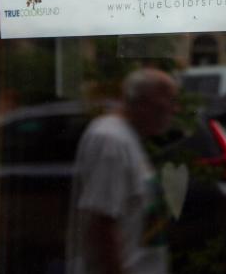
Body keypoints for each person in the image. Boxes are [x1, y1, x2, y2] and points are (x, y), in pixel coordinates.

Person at [66, 68, 179, 274]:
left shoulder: (128, 138)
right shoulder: (110, 140)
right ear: (142, 102)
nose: (174, 109)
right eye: (168, 101)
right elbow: (101, 222)